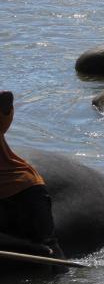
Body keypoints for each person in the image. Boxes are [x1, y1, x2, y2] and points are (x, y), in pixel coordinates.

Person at [0, 90, 66, 270]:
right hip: (20, 188)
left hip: (24, 188)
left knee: (49, 245)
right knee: (45, 245)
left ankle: (41, 253)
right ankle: (35, 249)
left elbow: (5, 96)